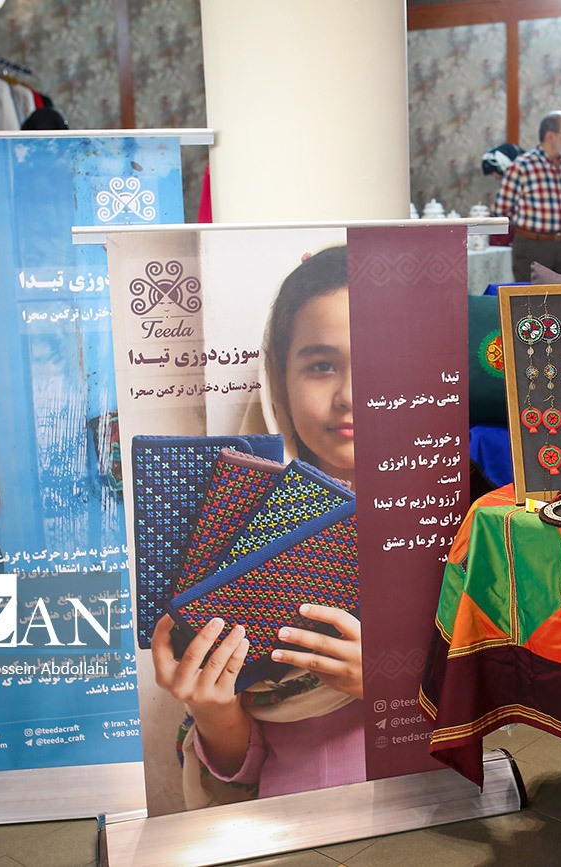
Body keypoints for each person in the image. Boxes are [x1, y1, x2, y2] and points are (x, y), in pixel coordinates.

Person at [151, 245, 365, 808]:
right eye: (322, 366)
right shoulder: (231, 525)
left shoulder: (469, 517)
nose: (350, 396)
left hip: (440, 820)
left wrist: (397, 683)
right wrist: (214, 710)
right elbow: (237, 775)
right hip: (294, 829)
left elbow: (510, 708)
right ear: (278, 379)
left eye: (381, 361)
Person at [494, 110, 561, 281]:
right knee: (531, 296)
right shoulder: (523, 165)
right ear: (550, 136)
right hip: (533, 246)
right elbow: (501, 209)